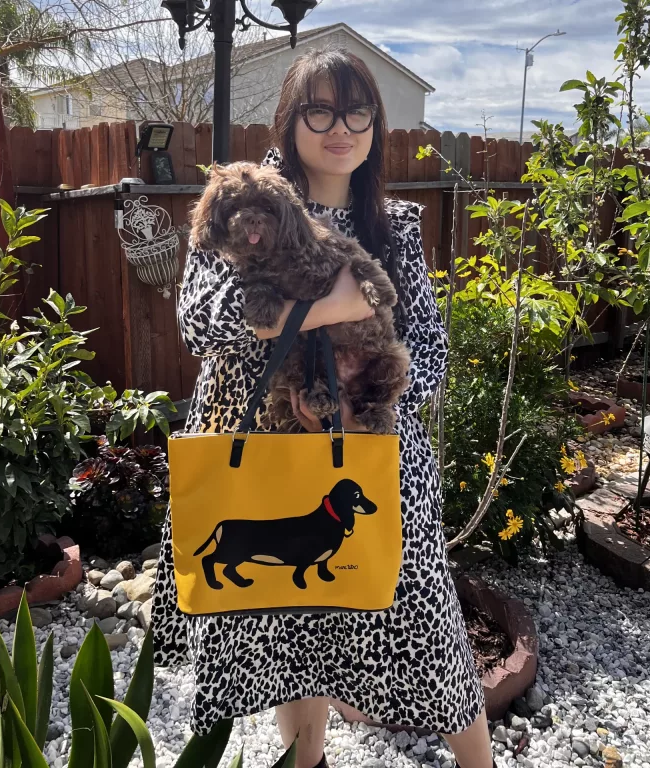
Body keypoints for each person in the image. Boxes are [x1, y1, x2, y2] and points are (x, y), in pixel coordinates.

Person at [151, 47, 494, 768]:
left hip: (371, 454)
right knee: (289, 625)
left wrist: (363, 391)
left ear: (376, 121)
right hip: (260, 452)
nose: (341, 126)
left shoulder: (394, 224)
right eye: (320, 109)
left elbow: (428, 349)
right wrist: (330, 305)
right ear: (290, 118)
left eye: (357, 109)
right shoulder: (249, 204)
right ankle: (304, 762)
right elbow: (199, 321)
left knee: (426, 620)